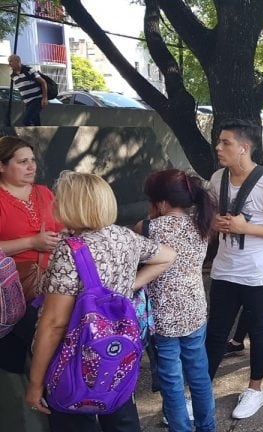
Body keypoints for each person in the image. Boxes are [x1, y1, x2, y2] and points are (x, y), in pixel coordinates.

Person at [25, 171, 177, 431]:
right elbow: (168, 256)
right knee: (120, 414)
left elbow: (54, 324)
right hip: (116, 348)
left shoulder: (70, 250)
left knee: (74, 419)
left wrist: (36, 383)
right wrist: (129, 286)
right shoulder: (123, 236)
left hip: (73, 356)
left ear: (72, 205)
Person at [204, 120, 263, 419]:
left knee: (257, 333)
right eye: (219, 141)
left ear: (244, 147)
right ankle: (202, 393)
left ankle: (255, 389)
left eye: (225, 142)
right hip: (224, 271)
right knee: (215, 335)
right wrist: (214, 223)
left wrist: (247, 227)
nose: (218, 147)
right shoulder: (217, 178)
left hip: (259, 275)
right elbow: (211, 216)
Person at [136, 169, 217, 432]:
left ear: (160, 203)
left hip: (163, 319)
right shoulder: (201, 223)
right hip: (194, 310)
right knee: (199, 375)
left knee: (171, 381)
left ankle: (180, 428)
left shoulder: (148, 228)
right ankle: (208, 427)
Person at [0, 136, 63, 432]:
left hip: (52, 284)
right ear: (2, 167)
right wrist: (31, 242)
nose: (30, 167)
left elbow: (65, 227)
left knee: (52, 348)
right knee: (16, 355)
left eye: (32, 160)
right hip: (11, 289)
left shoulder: (44, 193)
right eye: (22, 161)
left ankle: (53, 407)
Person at [8, 55, 48, 126]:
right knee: (36, 123)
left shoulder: (28, 70)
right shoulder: (12, 75)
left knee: (26, 121)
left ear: (18, 61)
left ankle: (31, 136)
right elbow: (21, 88)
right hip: (27, 102)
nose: (9, 63)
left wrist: (44, 98)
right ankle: (38, 136)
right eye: (9, 61)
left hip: (36, 99)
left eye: (11, 61)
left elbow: (43, 82)